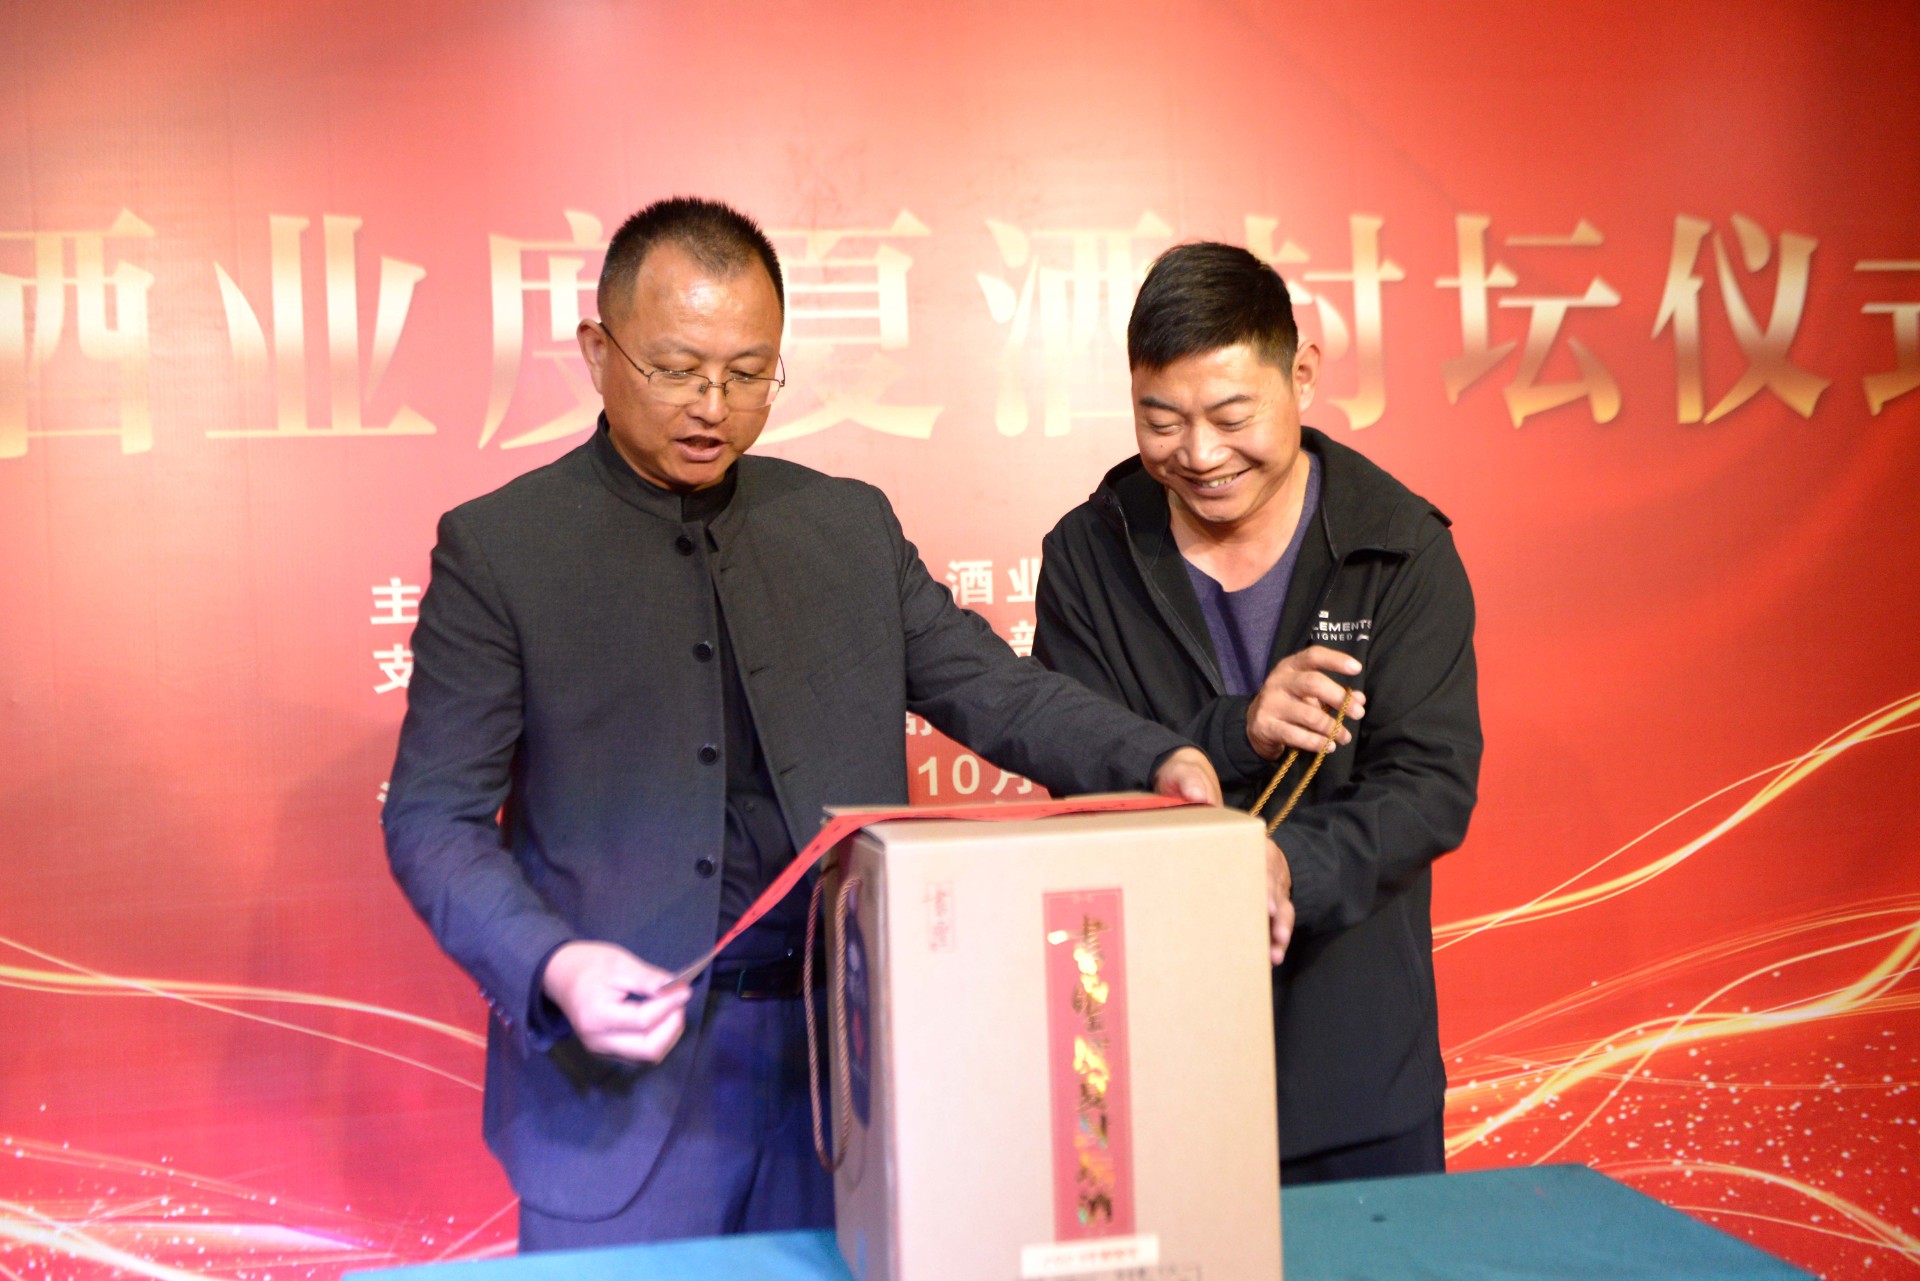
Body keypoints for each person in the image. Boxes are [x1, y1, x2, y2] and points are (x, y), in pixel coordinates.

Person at [381, 197, 1220, 1251]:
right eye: (676, 369)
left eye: (748, 373)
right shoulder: (504, 550)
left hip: (850, 1060)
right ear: (597, 352)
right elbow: (433, 819)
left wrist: (1156, 756)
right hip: (619, 1090)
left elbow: (994, 690)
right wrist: (554, 966)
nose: (713, 405)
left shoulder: (845, 526)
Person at [1032, 242, 1481, 1184]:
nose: (1199, 455)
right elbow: (1077, 762)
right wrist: (1234, 731)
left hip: (1357, 1074)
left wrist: (1284, 866)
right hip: (1149, 1065)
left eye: (1232, 417)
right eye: (1161, 421)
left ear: (1302, 374)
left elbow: (1429, 787)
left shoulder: (1397, 548)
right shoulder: (1090, 553)